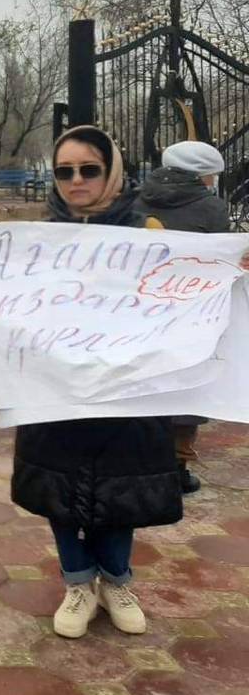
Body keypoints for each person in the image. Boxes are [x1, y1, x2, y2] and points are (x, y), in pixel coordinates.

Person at [0, 125, 249, 640]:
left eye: (88, 169)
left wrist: (234, 271)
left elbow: (192, 293)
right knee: (59, 488)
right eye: (65, 171)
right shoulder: (35, 240)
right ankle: (78, 582)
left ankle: (116, 579)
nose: (76, 180)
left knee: (121, 488)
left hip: (127, 390)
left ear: (111, 172)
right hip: (55, 389)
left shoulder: (149, 234)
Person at [134, 140, 231, 494]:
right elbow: (224, 259)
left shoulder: (135, 198)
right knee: (189, 382)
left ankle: (143, 460)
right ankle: (176, 467)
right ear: (201, 175)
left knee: (148, 381)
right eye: (212, 175)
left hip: (142, 308)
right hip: (193, 311)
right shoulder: (211, 208)